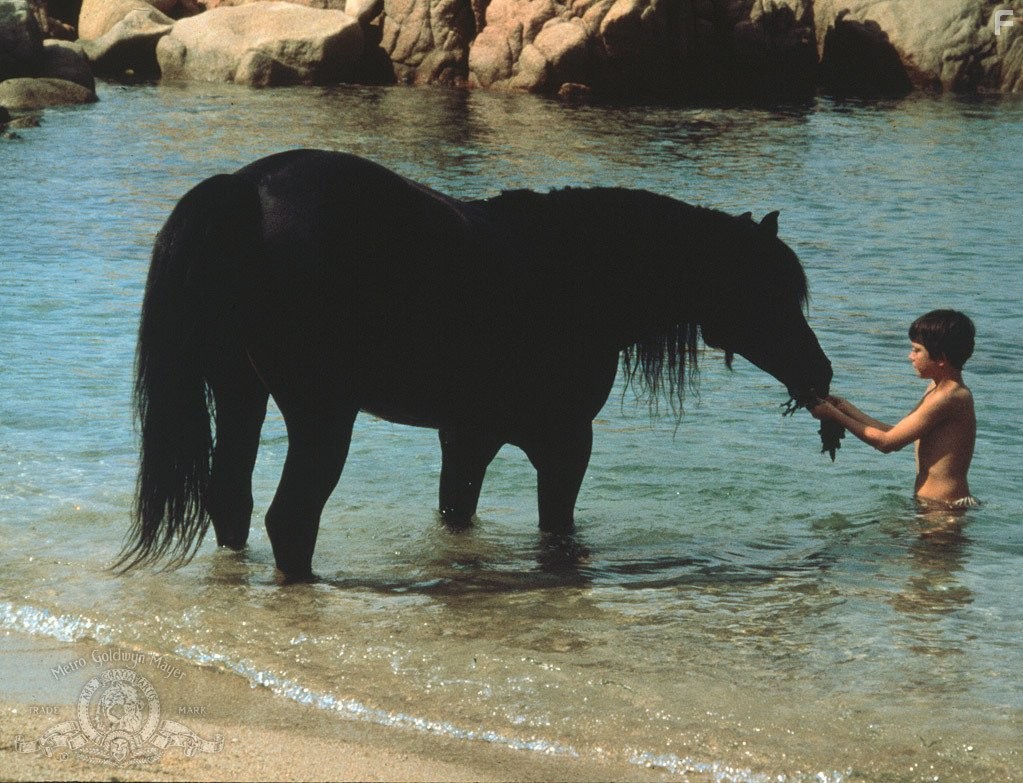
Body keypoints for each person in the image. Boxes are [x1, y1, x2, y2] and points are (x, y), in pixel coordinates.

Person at [811, 309, 977, 509]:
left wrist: (833, 414)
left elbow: (886, 443)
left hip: (945, 509)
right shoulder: (936, 388)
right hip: (933, 506)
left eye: (917, 350)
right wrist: (845, 407)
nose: (910, 356)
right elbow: (894, 433)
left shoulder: (949, 397)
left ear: (941, 358)